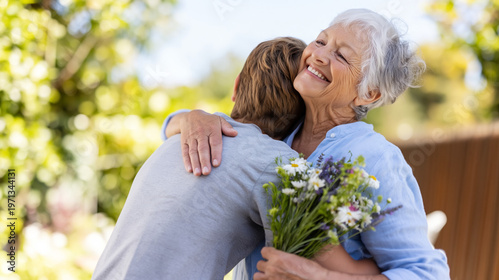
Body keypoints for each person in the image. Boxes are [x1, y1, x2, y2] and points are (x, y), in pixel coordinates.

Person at [162, 9, 450, 280]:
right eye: (321, 40)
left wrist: (318, 276)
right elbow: (184, 134)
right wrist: (193, 118)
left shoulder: (377, 158)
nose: (318, 55)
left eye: (341, 56)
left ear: (369, 94)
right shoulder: (278, 131)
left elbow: (427, 273)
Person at [92, 37, 378, 280]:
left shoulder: (181, 139)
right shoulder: (275, 165)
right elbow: (344, 270)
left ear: (237, 85)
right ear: (306, 111)